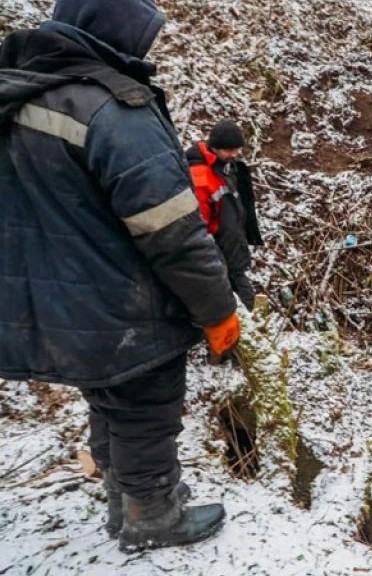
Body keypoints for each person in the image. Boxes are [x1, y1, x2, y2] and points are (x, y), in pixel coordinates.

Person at [0, 0, 239, 552]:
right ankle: (152, 516)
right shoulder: (113, 109)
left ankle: (122, 497)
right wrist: (217, 309)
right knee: (147, 405)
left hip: (50, 297)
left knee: (108, 396)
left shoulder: (18, 91)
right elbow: (173, 232)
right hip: (119, 296)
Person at [186, 120, 264, 311]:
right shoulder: (200, 177)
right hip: (218, 249)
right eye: (230, 150)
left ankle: (254, 323)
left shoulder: (225, 167)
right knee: (236, 295)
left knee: (240, 288)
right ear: (215, 148)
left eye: (237, 149)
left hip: (231, 244)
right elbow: (198, 223)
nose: (235, 155)